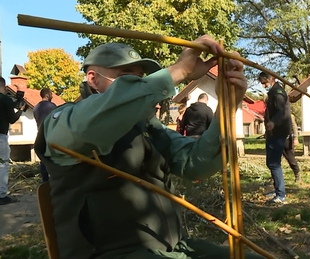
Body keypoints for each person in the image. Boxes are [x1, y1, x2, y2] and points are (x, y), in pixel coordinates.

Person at [34, 37, 264, 259]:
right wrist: (180, 70)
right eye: (126, 80)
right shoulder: (63, 120)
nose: (140, 87)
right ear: (93, 79)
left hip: (175, 248)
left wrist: (227, 104)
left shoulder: (146, 125)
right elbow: (89, 126)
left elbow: (196, 163)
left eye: (141, 79)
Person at [259, 72, 291, 204]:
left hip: (279, 131)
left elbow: (281, 111)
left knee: (274, 163)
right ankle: (277, 189)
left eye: (264, 82)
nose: (263, 85)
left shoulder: (278, 93)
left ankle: (280, 194)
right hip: (273, 132)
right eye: (262, 83)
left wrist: (273, 122)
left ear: (271, 79)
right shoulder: (272, 92)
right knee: (271, 162)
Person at [0, 77, 25, 205]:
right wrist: (20, 110)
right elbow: (12, 119)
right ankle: (2, 196)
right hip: (1, 137)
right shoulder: (5, 99)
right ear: (4, 87)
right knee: (3, 165)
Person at [33, 88, 57, 182]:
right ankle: (55, 178)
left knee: (43, 159)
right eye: (51, 94)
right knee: (54, 157)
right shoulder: (52, 106)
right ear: (47, 95)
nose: (52, 96)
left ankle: (45, 180)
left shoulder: (35, 108)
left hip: (40, 135)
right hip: (51, 134)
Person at [283, 114, 300, 182]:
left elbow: (294, 127)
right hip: (276, 140)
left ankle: (297, 174)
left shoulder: (289, 115)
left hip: (287, 140)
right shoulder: (273, 113)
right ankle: (274, 178)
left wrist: (296, 138)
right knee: (275, 161)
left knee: (291, 159)